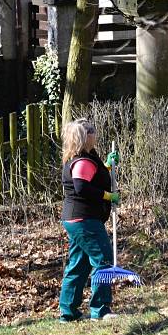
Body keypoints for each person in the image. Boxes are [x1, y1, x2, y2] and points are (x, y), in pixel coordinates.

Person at [58, 119, 120, 322]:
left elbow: (94, 176)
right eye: (92, 130)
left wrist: (108, 166)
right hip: (84, 220)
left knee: (79, 264)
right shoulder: (82, 160)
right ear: (85, 136)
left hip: (76, 219)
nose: (96, 133)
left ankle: (68, 312)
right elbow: (82, 187)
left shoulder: (84, 157)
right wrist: (107, 196)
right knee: (103, 260)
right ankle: (100, 310)